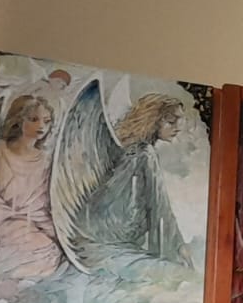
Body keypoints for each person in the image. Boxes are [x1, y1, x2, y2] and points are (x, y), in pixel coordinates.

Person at [71, 92, 194, 268]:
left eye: (179, 121)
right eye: (170, 121)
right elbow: (159, 204)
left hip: (92, 228)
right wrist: (178, 247)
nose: (178, 127)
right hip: (111, 232)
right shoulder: (145, 153)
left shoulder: (131, 149)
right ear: (153, 120)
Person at [0, 94, 66, 294]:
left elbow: (47, 202)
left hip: (34, 222)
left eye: (47, 121)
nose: (41, 126)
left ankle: (13, 286)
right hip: (0, 219)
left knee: (49, 253)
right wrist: (1, 211)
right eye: (33, 119)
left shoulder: (46, 160)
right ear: (18, 120)